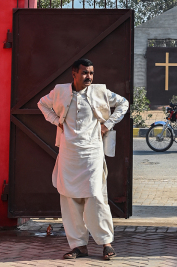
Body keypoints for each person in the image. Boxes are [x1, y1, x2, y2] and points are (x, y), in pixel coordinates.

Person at [38, 58, 129, 261]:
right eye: (85, 73)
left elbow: (124, 103)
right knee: (70, 200)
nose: (89, 77)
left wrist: (109, 124)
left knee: (96, 197)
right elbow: (42, 104)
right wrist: (56, 122)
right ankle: (78, 246)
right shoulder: (60, 92)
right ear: (74, 74)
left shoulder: (100, 92)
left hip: (92, 152)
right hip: (69, 154)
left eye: (91, 73)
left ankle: (106, 243)